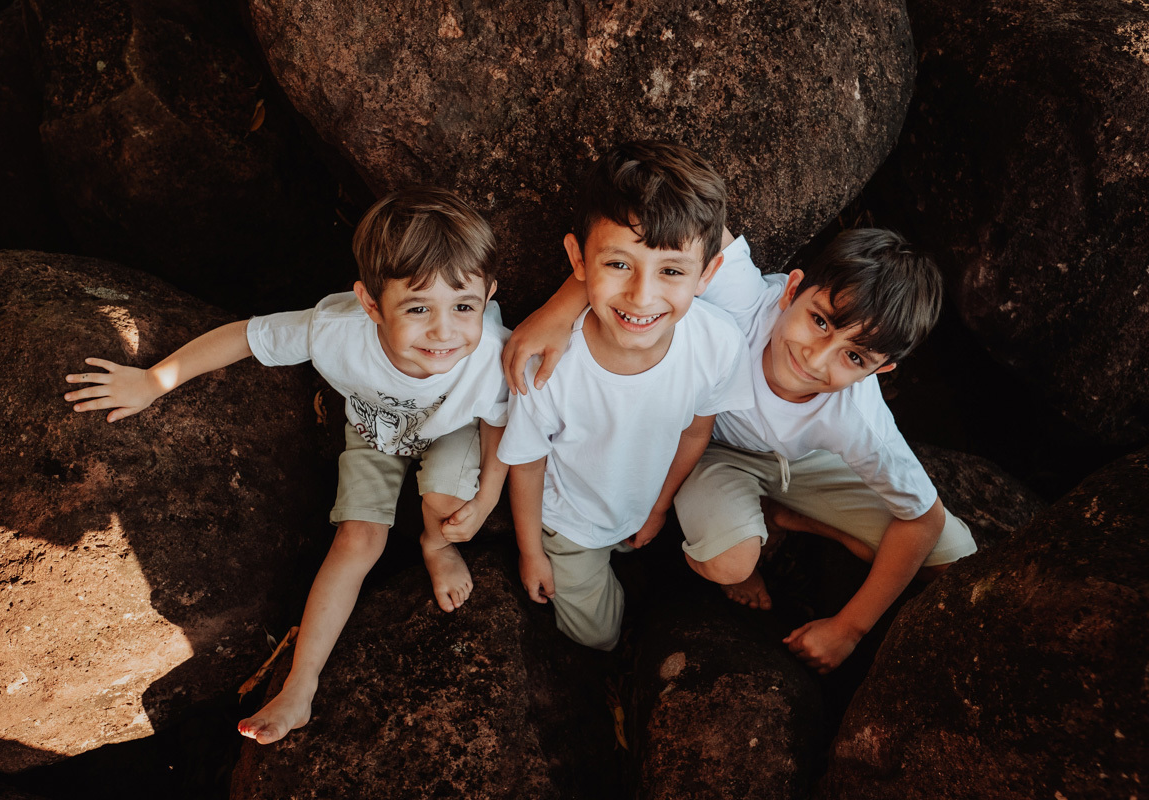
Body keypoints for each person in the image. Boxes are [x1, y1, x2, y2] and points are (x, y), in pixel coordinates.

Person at [64, 187, 511, 743]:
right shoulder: (336, 329)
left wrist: (489, 497)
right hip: (373, 428)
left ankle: (434, 548)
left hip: (453, 427)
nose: (444, 331)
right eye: (418, 308)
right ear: (371, 304)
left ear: (488, 295)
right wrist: (154, 381)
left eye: (464, 306)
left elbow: (500, 420)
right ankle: (301, 684)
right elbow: (245, 337)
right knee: (357, 540)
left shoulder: (491, 354)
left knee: (447, 508)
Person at [504, 225, 976, 673]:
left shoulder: (859, 420)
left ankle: (787, 517)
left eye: (854, 357)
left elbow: (924, 518)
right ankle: (767, 524)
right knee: (730, 563)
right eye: (819, 321)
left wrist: (849, 628)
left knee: (956, 561)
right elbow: (669, 210)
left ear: (881, 370)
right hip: (711, 451)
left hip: (805, 463)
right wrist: (559, 307)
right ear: (792, 289)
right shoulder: (744, 298)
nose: (816, 358)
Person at [497, 141, 754, 651]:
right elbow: (526, 462)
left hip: (641, 507)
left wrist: (659, 508)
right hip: (570, 524)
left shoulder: (718, 344)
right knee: (598, 638)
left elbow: (696, 431)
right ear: (578, 258)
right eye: (619, 264)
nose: (642, 296)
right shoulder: (548, 366)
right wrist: (531, 552)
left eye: (672, 271)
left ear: (707, 274)